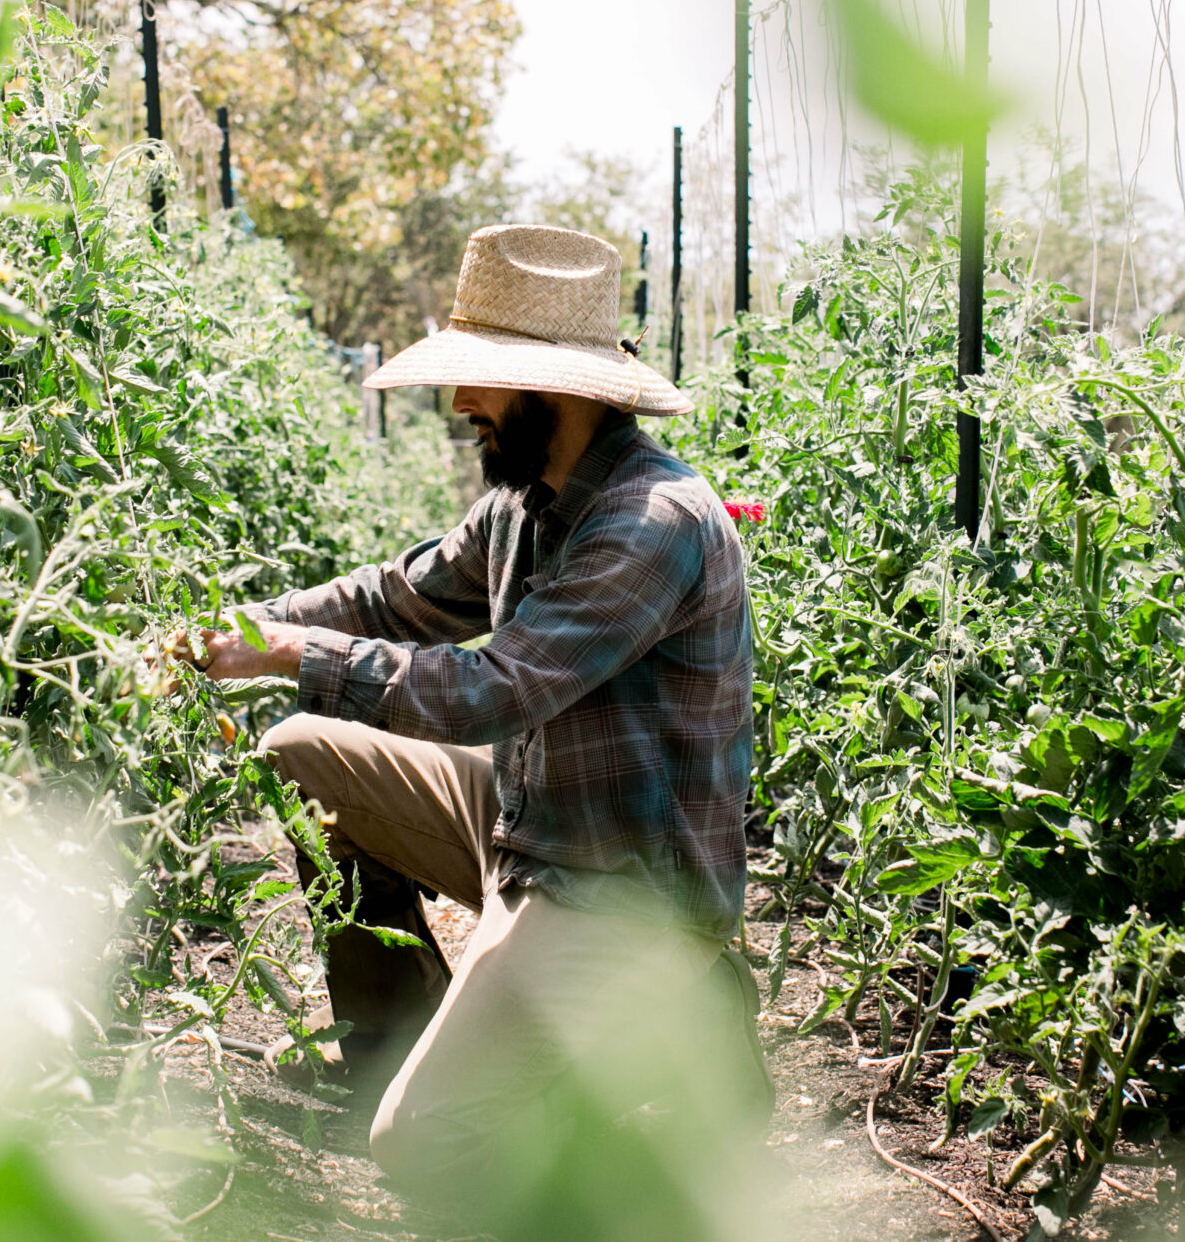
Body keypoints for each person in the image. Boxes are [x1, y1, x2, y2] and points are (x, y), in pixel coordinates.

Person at [175, 223, 769, 1236]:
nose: (460, 406)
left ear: (562, 389)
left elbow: (488, 692)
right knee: (302, 755)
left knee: (426, 1142)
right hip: (531, 830)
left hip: (623, 887)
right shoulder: (526, 505)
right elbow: (397, 599)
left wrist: (288, 660)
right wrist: (249, 628)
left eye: (482, 381)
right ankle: (397, 1043)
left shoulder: (652, 521)